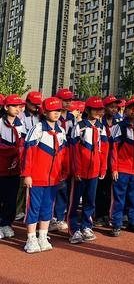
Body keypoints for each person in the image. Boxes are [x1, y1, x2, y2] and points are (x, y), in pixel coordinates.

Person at [21, 97, 69, 252]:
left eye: (58, 111)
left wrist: (64, 171)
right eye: (52, 111)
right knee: (34, 207)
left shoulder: (61, 131)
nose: (56, 113)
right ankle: (31, 238)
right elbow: (28, 152)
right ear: (45, 112)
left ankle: (42, 236)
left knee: (48, 207)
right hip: (36, 178)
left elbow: (64, 154)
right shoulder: (37, 129)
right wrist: (27, 174)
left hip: (53, 179)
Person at [67, 96, 109, 244]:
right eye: (95, 109)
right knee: (74, 201)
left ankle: (86, 225)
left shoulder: (101, 127)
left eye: (100, 109)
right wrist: (76, 170)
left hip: (94, 171)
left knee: (90, 200)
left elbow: (104, 148)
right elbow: (73, 150)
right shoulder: (79, 126)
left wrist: (103, 167)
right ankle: (73, 228)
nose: (98, 112)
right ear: (88, 110)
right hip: (80, 171)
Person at [109, 95, 134, 236]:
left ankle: (133, 222)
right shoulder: (118, 127)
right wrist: (114, 168)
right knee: (119, 198)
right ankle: (116, 224)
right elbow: (113, 149)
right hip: (122, 169)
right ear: (125, 110)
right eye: (131, 108)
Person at [0, 95, 26, 239]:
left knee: (11, 198)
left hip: (15, 168)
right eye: (14, 106)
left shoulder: (21, 124)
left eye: (19, 106)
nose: (17, 109)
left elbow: (24, 143)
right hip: (1, 167)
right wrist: (14, 151)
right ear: (5, 107)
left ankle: (6, 224)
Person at [50, 88, 76, 231]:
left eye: (70, 100)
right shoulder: (53, 117)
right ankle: (52, 217)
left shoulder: (72, 117)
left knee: (65, 186)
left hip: (69, 153)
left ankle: (60, 216)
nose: (68, 103)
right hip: (56, 153)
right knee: (56, 185)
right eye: (65, 100)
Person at [95, 95, 122, 226]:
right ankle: (100, 215)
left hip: (115, 159)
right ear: (104, 108)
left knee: (113, 188)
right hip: (102, 159)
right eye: (111, 107)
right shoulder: (99, 123)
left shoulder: (119, 122)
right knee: (101, 188)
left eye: (116, 107)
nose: (114, 109)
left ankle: (112, 215)